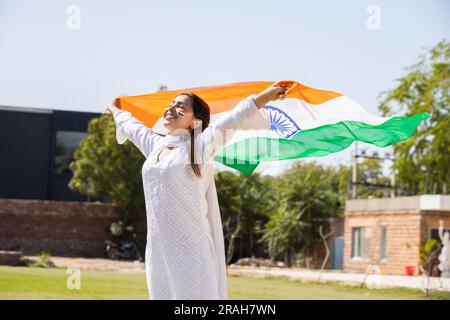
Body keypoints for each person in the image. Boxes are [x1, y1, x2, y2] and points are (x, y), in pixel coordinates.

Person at [105, 83, 289, 299]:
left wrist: (266, 96)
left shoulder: (199, 147)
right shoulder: (156, 146)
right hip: (159, 251)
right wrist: (114, 109)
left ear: (195, 122)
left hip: (191, 251)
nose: (171, 108)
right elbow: (131, 126)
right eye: (171, 104)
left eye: (181, 107)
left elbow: (235, 118)